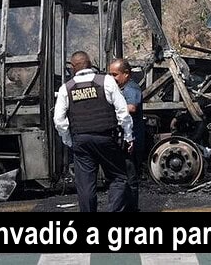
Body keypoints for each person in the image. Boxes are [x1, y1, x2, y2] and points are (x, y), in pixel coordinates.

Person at [53, 51, 133, 212]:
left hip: (81, 141)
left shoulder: (65, 88)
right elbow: (123, 112)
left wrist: (69, 141)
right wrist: (128, 136)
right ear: (90, 64)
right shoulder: (106, 81)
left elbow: (59, 120)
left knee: (85, 186)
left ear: (73, 67)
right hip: (106, 138)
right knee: (118, 178)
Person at [108, 58, 144, 212]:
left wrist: (111, 107)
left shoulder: (131, 88)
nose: (112, 78)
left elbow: (132, 107)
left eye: (115, 74)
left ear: (126, 74)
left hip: (132, 139)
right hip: (126, 138)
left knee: (130, 177)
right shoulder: (121, 88)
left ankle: (131, 208)